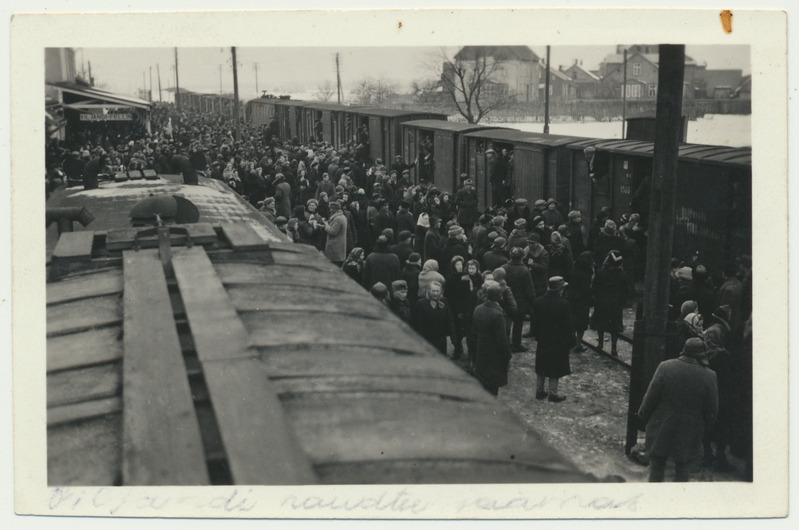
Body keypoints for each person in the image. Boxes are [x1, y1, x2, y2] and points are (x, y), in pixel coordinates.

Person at [637, 337, 719, 482]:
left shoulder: (665, 367)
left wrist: (642, 416)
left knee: (656, 467)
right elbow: (712, 409)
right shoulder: (709, 376)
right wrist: (706, 429)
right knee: (683, 468)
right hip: (690, 430)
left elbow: (650, 397)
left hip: (661, 426)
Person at [532, 276, 575, 403]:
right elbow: (568, 326)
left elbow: (534, 323)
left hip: (543, 340)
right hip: (558, 342)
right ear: (560, 289)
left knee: (541, 365)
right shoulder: (564, 304)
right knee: (555, 367)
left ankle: (539, 391)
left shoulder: (539, 301)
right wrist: (570, 342)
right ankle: (553, 393)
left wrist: (538, 336)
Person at [472, 282, 513, 397]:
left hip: (481, 351)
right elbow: (502, 339)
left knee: (482, 382)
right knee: (492, 386)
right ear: (499, 297)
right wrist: (508, 355)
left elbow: (474, 331)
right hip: (494, 355)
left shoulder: (478, 309)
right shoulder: (497, 314)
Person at [591, 250, 628, 356]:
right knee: (614, 327)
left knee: (600, 324)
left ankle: (600, 344)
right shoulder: (622, 275)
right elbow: (625, 291)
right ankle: (614, 348)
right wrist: (622, 301)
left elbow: (594, 287)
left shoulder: (601, 273)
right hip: (615, 303)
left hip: (602, 302)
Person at [502, 246, 536, 352]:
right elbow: (529, 289)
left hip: (506, 300)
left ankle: (505, 343)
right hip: (520, 302)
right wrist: (533, 302)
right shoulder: (525, 270)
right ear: (522, 257)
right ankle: (516, 344)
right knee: (518, 324)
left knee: (506, 323)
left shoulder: (504, 267)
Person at [413, 281, 455, 355]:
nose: (435, 293)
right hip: (427, 339)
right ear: (429, 291)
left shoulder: (444, 301)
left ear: (441, 291)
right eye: (433, 291)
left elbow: (449, 319)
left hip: (441, 339)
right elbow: (418, 323)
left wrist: (453, 336)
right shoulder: (421, 303)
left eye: (437, 291)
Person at [566, 251, 594, 352]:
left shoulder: (574, 269)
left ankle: (571, 341)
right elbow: (586, 289)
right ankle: (578, 344)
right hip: (582, 301)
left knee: (573, 321)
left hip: (572, 298)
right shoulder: (587, 273)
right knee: (581, 324)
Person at [323, 201, 348, 266]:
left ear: (335, 209)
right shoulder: (341, 217)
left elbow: (333, 231)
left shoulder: (338, 219)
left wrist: (326, 225)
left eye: (331, 208)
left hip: (335, 248)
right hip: (338, 248)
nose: (330, 210)